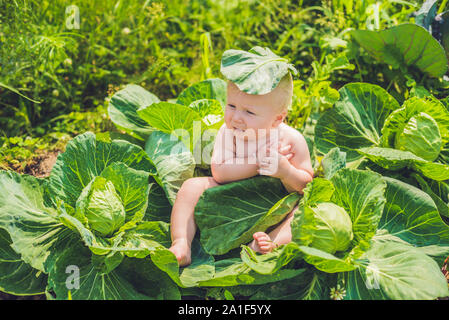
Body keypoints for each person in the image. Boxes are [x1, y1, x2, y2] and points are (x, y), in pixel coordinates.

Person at [168, 72, 314, 267]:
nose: (236, 117)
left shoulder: (292, 139)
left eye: (249, 112)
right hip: (231, 198)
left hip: (276, 205)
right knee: (191, 187)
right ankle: (181, 244)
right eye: (231, 106)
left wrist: (286, 172)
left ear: (277, 119)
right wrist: (256, 163)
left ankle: (268, 242)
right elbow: (219, 172)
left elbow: (306, 186)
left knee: (305, 209)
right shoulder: (228, 133)